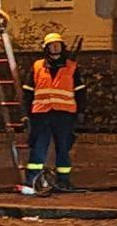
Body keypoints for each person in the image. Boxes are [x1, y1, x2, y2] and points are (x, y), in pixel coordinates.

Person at [24, 33, 81, 193]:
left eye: (57, 44)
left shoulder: (72, 67)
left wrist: (80, 112)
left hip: (64, 115)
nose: (55, 47)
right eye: (51, 45)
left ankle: (63, 181)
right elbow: (28, 92)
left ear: (62, 47)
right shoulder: (37, 66)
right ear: (46, 48)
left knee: (63, 148)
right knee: (38, 149)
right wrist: (26, 113)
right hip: (41, 115)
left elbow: (80, 91)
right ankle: (32, 181)